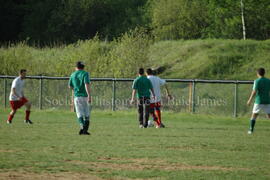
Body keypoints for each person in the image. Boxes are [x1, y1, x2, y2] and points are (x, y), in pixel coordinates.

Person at [69, 61, 91, 135]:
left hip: (77, 96)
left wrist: (75, 88)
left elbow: (70, 86)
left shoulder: (73, 74)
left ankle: (82, 128)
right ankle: (85, 130)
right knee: (87, 114)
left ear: (76, 67)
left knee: (79, 113)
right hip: (85, 96)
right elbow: (86, 84)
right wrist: (89, 95)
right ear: (83, 67)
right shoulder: (85, 73)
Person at [247, 68, 270, 134]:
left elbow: (254, 91)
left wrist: (249, 100)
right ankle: (251, 130)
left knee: (254, 115)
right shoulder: (268, 81)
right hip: (267, 101)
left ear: (257, 73)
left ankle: (251, 130)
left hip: (259, 101)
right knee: (269, 116)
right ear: (264, 73)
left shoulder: (257, 81)